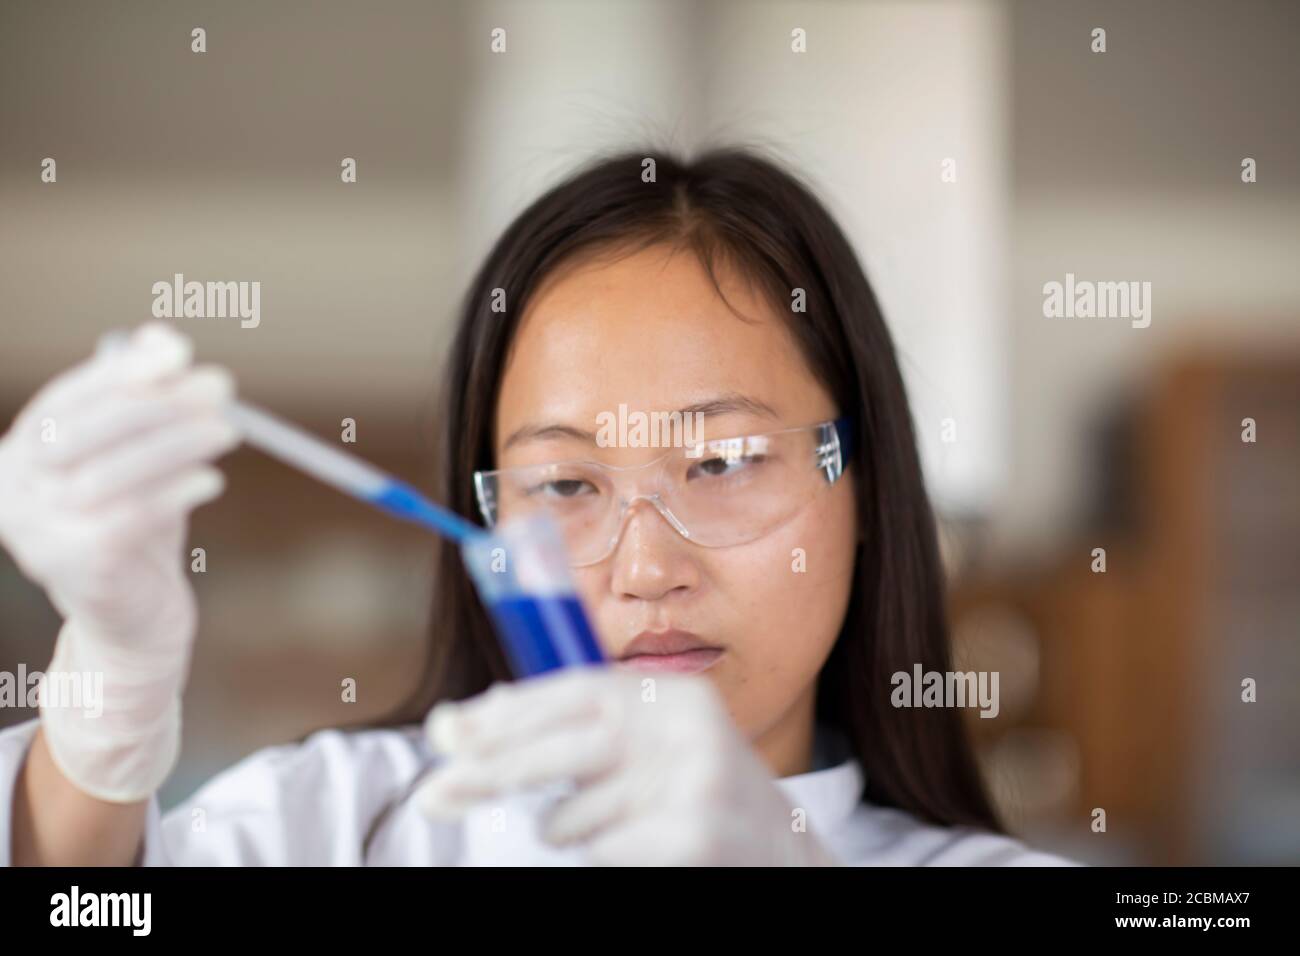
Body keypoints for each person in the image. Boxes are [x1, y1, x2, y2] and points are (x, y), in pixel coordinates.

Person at [0, 148, 1075, 866]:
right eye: (565, 484)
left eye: (724, 458)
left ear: (868, 492)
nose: (646, 566)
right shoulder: (342, 823)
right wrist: (111, 691)